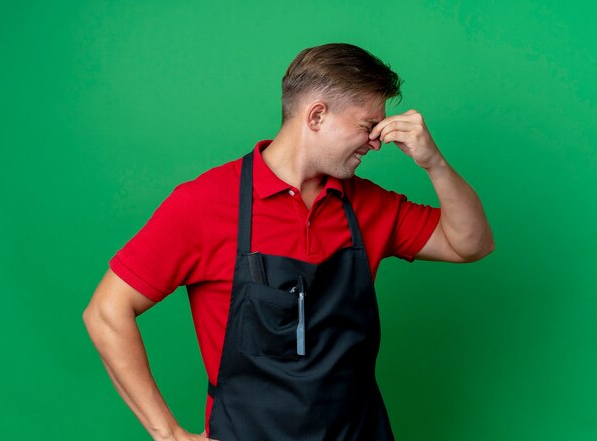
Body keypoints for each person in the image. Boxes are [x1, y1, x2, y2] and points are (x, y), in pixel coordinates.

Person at [83, 42, 494, 441]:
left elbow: (470, 244)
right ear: (316, 116)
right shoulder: (204, 204)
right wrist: (168, 433)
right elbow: (106, 312)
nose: (376, 141)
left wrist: (434, 163)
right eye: (368, 126)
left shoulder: (369, 205)